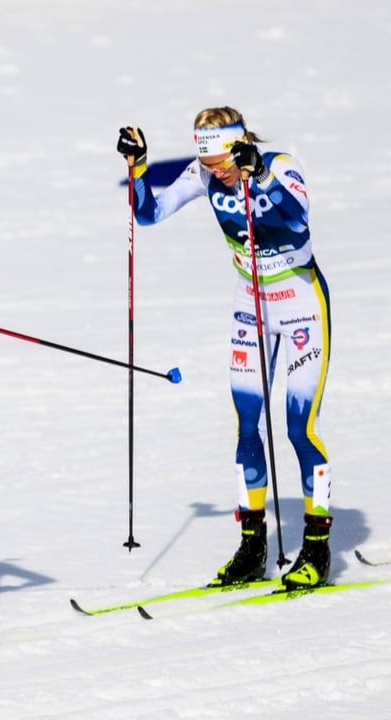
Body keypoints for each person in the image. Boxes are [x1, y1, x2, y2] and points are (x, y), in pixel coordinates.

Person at [116, 107, 333, 589]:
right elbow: (149, 214)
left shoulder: (279, 165)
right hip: (250, 301)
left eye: (223, 164)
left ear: (239, 148)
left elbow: (297, 223)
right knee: (247, 424)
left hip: (300, 300)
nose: (216, 173)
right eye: (208, 165)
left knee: (299, 427)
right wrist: (139, 169)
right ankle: (252, 545)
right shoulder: (204, 172)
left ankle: (317, 547)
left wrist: (260, 178)